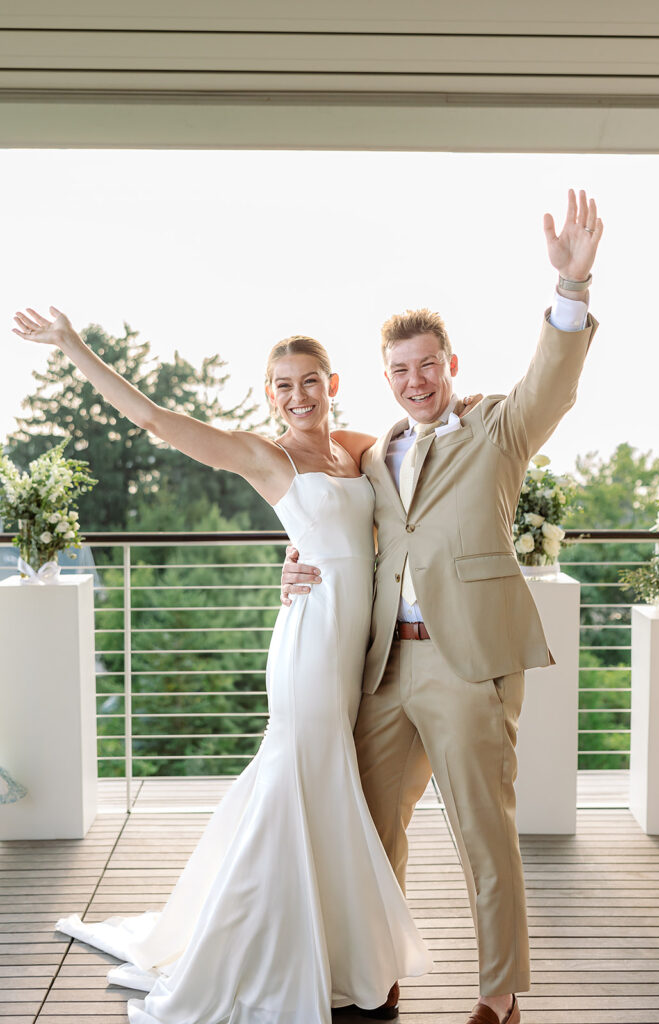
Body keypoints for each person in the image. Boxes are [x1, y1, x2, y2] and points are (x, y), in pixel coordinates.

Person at [9, 313, 444, 1023]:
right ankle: (268, 949)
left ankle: (335, 950)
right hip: (308, 644)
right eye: (283, 387)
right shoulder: (267, 456)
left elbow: (424, 440)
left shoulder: (360, 448)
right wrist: (70, 345)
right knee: (299, 781)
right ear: (269, 396)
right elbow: (155, 419)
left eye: (310, 382)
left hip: (357, 648)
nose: (298, 396)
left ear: (332, 385)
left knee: (323, 790)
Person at [280, 188, 603, 1024]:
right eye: (399, 371)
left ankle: (498, 997)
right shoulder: (376, 452)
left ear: (450, 364)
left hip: (466, 666)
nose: (415, 381)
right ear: (385, 381)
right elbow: (342, 526)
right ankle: (375, 970)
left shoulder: (497, 429)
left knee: (482, 835)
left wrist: (572, 289)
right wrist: (295, 567)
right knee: (370, 824)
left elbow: (554, 385)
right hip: (386, 667)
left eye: (427, 364)